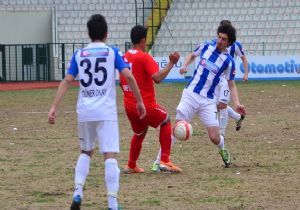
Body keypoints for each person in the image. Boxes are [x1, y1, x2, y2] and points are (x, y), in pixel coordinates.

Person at [48, 14, 146, 210]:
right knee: (109, 155)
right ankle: (112, 203)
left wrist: (54, 107)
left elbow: (67, 80)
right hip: (105, 111)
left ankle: (77, 192)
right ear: (106, 33)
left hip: (85, 110)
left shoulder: (79, 54)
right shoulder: (112, 52)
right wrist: (140, 101)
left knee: (85, 151)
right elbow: (128, 75)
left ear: (89, 33)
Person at [152, 23, 246, 169]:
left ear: (229, 43)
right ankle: (158, 162)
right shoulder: (206, 46)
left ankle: (223, 149)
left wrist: (237, 104)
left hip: (208, 101)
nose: (220, 41)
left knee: (214, 137)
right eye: (219, 37)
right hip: (190, 94)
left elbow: (231, 85)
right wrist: (184, 65)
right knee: (177, 128)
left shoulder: (229, 62)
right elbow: (192, 54)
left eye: (224, 39)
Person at [119, 25, 182, 174]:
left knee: (140, 132)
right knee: (165, 120)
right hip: (145, 105)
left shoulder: (124, 56)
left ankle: (131, 165)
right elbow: (157, 78)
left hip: (129, 105)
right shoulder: (144, 56)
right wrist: (171, 63)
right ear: (143, 40)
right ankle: (165, 161)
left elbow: (121, 81)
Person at [212, 20, 248, 137]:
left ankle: (221, 133)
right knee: (217, 105)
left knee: (222, 105)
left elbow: (244, 59)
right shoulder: (216, 43)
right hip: (217, 78)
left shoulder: (236, 45)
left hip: (227, 79)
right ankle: (237, 117)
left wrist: (246, 73)